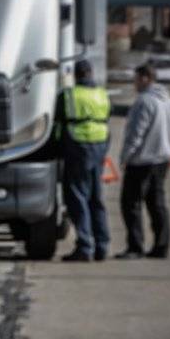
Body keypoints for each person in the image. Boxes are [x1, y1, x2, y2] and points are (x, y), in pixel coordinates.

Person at [116, 63, 170, 259]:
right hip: (162, 159)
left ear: (145, 78)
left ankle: (135, 246)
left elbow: (136, 133)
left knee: (130, 203)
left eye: (135, 79)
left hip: (142, 161)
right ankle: (162, 245)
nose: (134, 84)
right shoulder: (169, 101)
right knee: (156, 203)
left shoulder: (144, 102)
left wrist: (125, 156)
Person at [56, 60, 112, 262]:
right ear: (90, 73)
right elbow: (107, 118)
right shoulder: (102, 94)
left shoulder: (69, 95)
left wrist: (56, 148)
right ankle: (102, 246)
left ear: (76, 75)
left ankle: (85, 247)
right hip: (100, 144)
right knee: (96, 198)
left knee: (78, 197)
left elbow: (58, 123)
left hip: (77, 146)